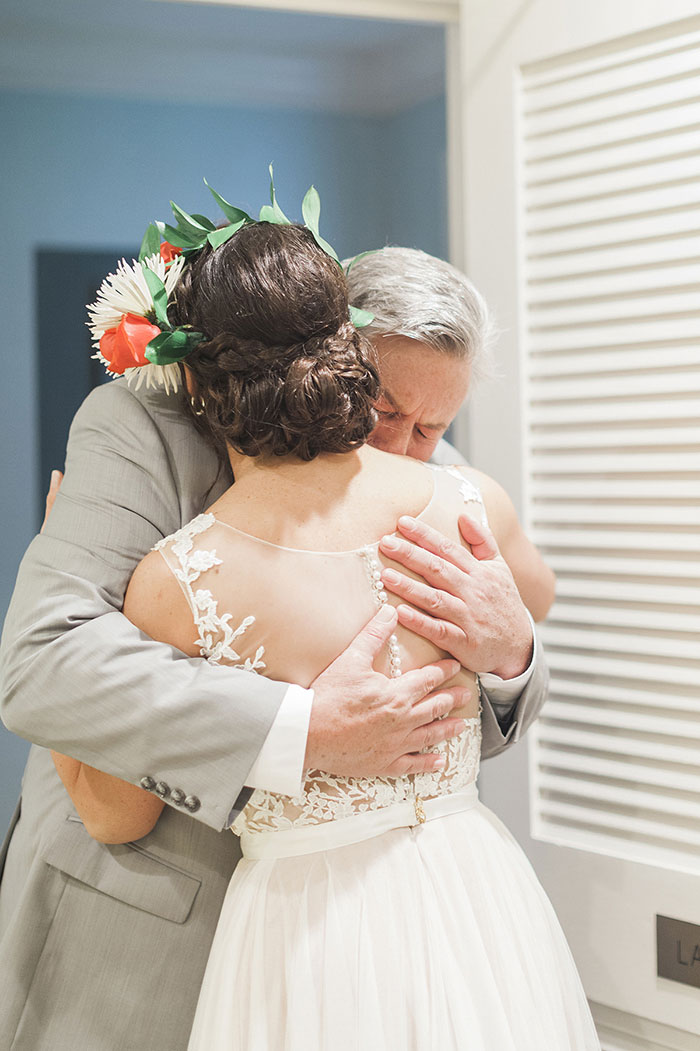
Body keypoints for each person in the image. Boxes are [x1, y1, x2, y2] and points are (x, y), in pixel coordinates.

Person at [0, 183, 548, 1051]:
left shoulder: (429, 471)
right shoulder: (140, 428)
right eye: (388, 410)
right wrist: (303, 730)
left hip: (388, 926)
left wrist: (512, 648)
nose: (403, 446)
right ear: (337, 350)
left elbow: (473, 679)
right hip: (152, 910)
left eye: (433, 427)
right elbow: (43, 664)